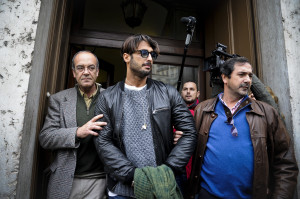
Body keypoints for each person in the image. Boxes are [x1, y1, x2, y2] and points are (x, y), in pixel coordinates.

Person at [94, 34, 197, 198]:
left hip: (164, 186)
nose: (149, 58)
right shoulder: (107, 97)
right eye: (143, 53)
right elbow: (103, 141)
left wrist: (168, 170)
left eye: (152, 54)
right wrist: (132, 176)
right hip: (122, 190)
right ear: (126, 57)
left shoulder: (168, 92)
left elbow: (189, 132)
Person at [189, 57, 298, 199]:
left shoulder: (267, 112)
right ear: (224, 78)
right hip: (207, 195)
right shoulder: (203, 109)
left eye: (250, 75)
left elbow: (285, 164)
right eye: (241, 75)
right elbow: (191, 146)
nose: (247, 80)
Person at [39, 51, 107, 199]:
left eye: (91, 68)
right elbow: (45, 138)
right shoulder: (58, 99)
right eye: (80, 68)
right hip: (65, 179)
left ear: (97, 72)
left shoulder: (112, 98)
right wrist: (77, 133)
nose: (86, 72)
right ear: (74, 73)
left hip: (100, 180)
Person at [174, 81, 200, 197]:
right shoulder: (172, 111)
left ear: (198, 93)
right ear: (181, 92)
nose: (188, 92)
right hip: (178, 167)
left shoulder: (204, 112)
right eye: (185, 89)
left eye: (192, 89)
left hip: (197, 167)